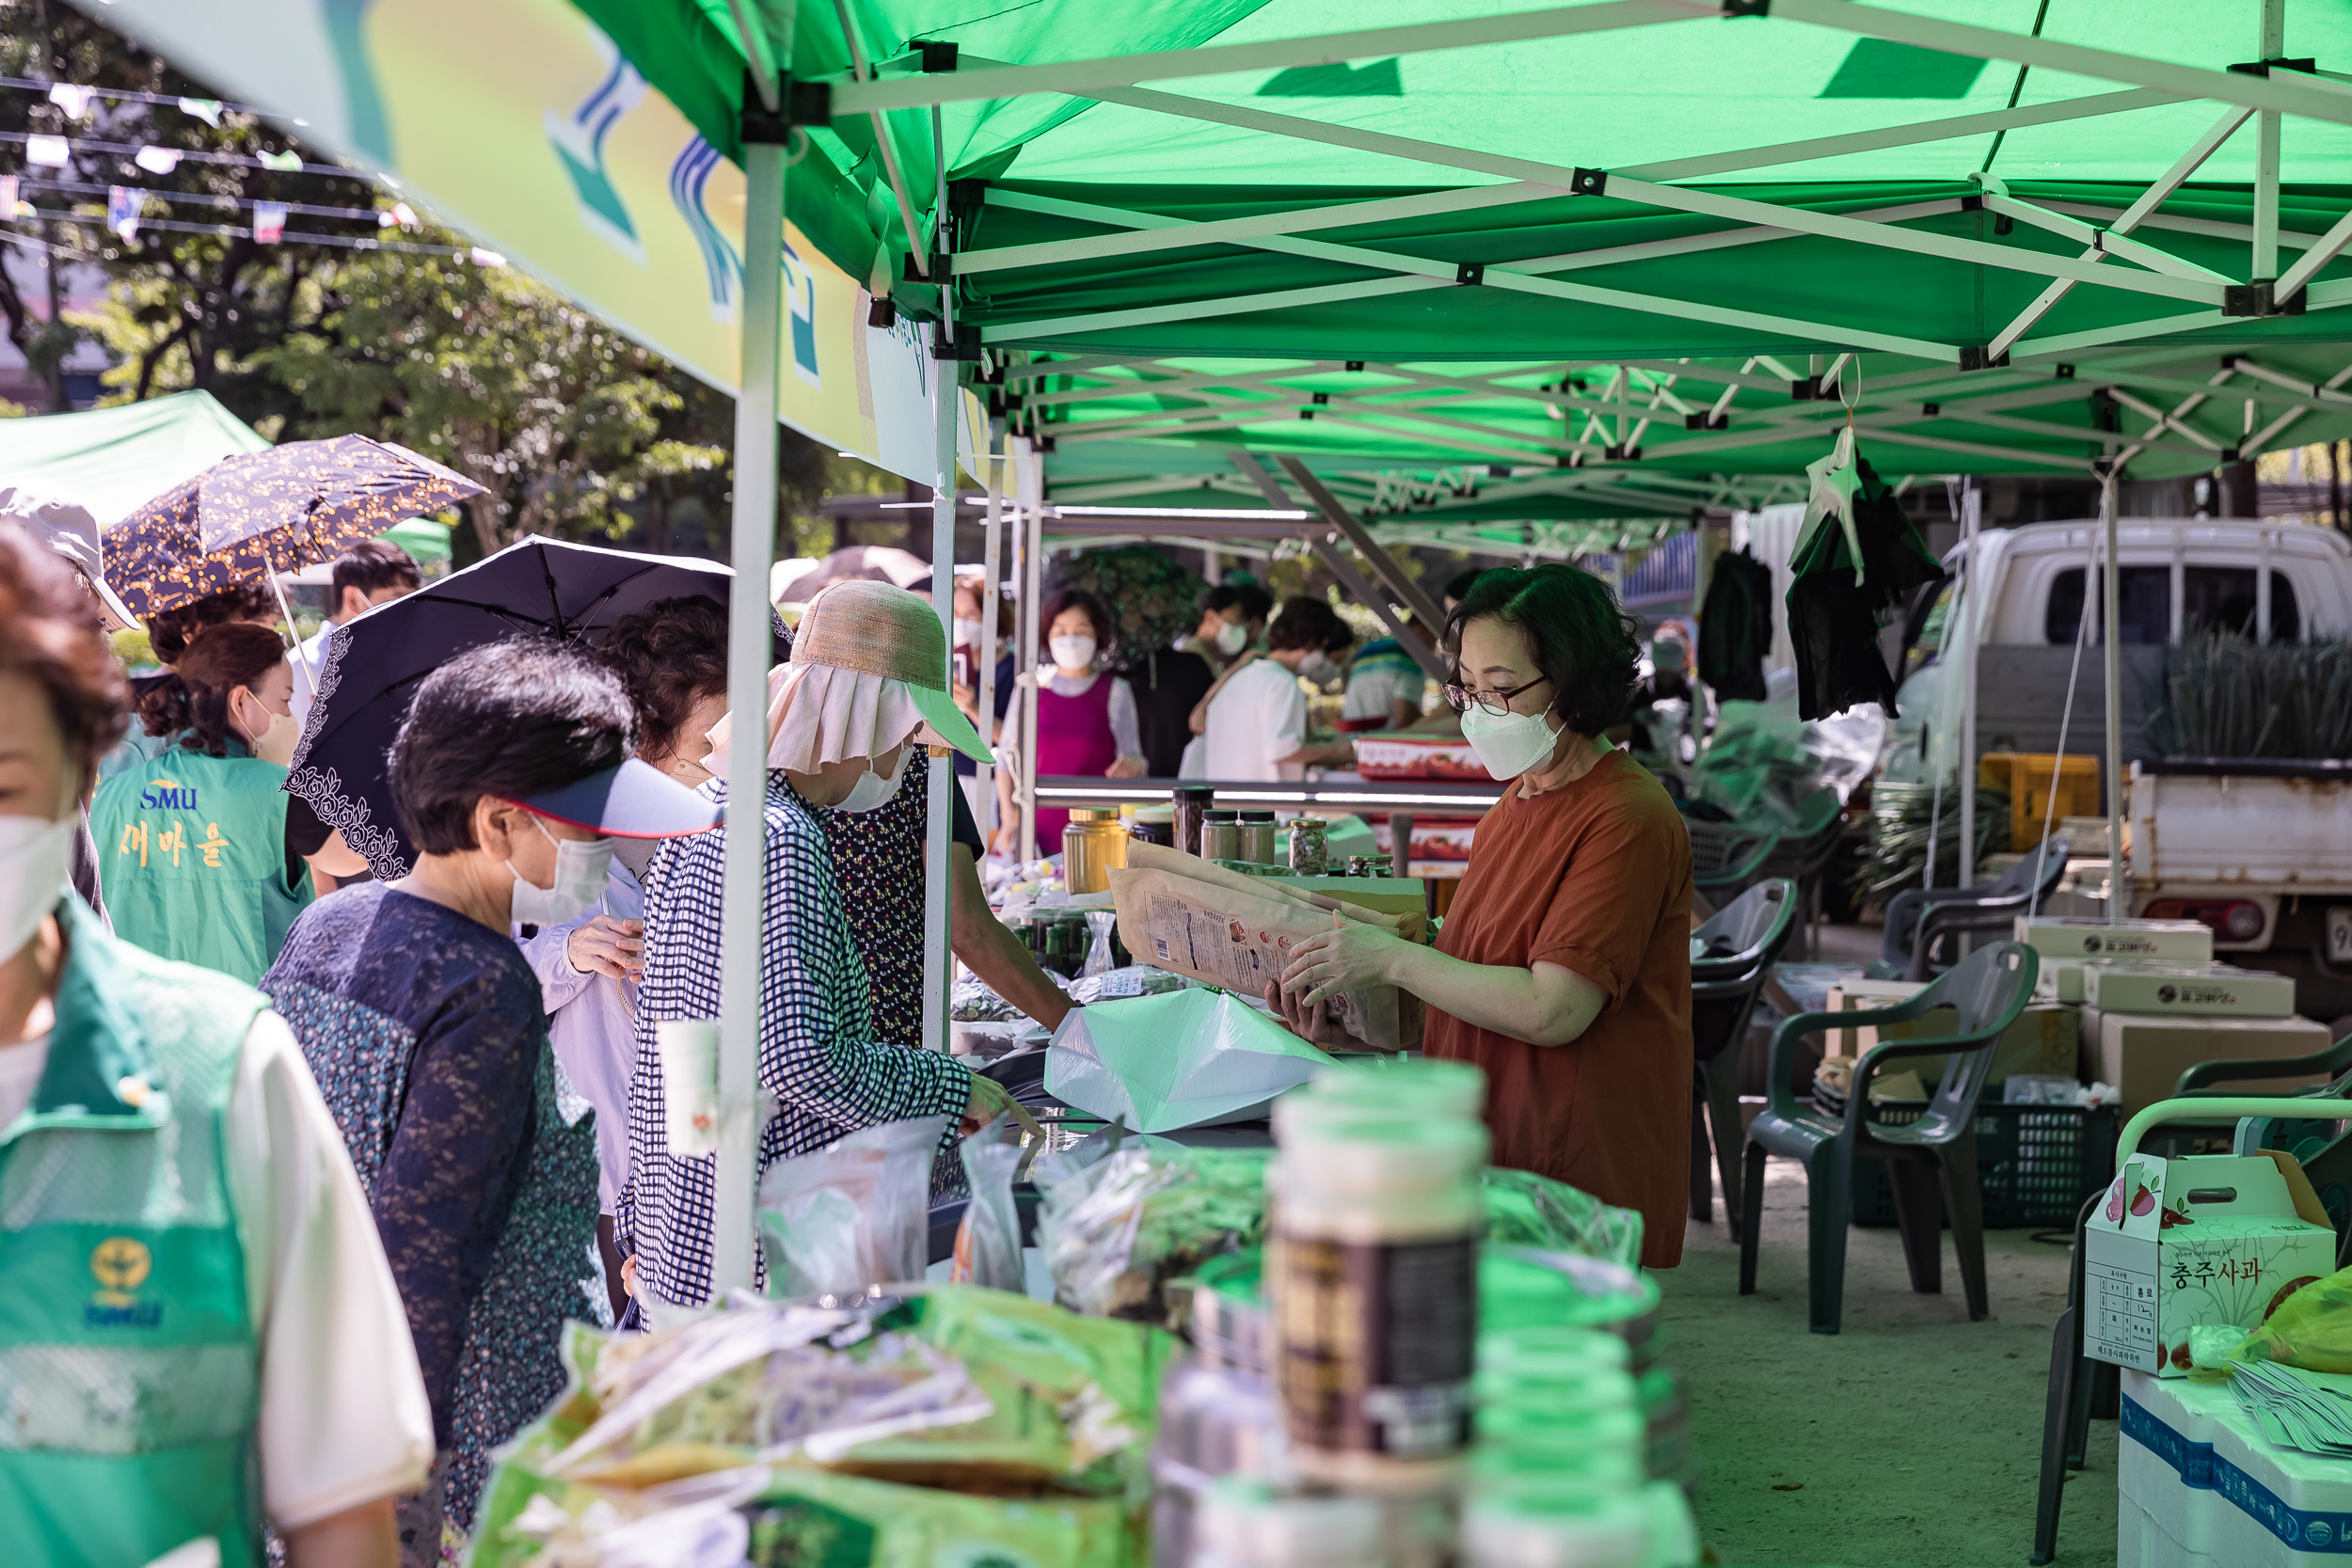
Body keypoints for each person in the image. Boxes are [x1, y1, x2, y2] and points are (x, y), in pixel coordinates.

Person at [0, 523, 432, 1566]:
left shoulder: (232, 1076)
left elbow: (340, 1510)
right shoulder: (267, 798)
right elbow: (371, 851)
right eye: (279, 696)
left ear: (80, 779)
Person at [262, 637, 720, 1556]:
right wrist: (403, 1510)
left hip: (314, 1410)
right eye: (584, 826)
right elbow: (421, 1260)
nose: (596, 848)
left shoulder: (328, 924)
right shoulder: (483, 985)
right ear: (500, 821)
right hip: (473, 1451)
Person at [1269, 564, 1694, 1270]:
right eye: (1466, 685)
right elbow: (1473, 968)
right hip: (1489, 1129)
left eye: (1500, 688)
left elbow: (1553, 1008)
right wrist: (1353, 1002)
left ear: (1574, 680)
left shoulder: (1627, 817)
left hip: (1570, 1151)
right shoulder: (1516, 803)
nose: (1476, 708)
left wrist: (1393, 959)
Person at [619, 580, 1021, 1323]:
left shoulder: (703, 818)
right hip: (763, 1255)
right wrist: (949, 1084)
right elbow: (800, 1059)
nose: (907, 756)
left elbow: (666, 1047)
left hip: (689, 1235)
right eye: (907, 735)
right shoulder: (783, 839)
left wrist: (642, 1209)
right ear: (863, 722)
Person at [519, 595, 729, 1320]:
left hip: (702, 1150)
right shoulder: (560, 843)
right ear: (648, 737)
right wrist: (573, 950)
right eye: (710, 738)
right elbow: (507, 979)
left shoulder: (721, 833)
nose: (726, 756)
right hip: (604, 1157)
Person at [89, 622, 366, 984]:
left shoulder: (111, 795)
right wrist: (332, 745)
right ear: (240, 701)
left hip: (135, 1019)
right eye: (284, 699)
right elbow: (360, 854)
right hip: (248, 1026)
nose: (290, 715)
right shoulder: (278, 793)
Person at [993, 587, 1147, 853]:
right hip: (1035, 832)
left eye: (1081, 630)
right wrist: (1009, 819)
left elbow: (1134, 759)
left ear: (1098, 635)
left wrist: (1135, 765)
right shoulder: (1030, 688)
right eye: (1061, 630)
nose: (1071, 639)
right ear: (1047, 635)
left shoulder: (1116, 690)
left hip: (1098, 830)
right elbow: (1006, 758)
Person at [1192, 594, 1359, 782]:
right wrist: (1335, 748)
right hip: (1271, 808)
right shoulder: (1283, 682)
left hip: (1230, 804)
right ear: (1316, 643)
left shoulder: (1240, 678)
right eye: (1334, 659)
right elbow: (1282, 748)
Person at [292, 538, 422, 724]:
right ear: (353, 599)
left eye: (414, 597)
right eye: (399, 597)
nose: (409, 608)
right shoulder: (306, 665)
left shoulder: (401, 657)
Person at [1341, 630, 1429, 733]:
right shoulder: (1410, 658)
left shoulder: (1367, 650)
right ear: (1424, 630)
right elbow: (1405, 718)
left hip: (1352, 738)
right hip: (1385, 742)